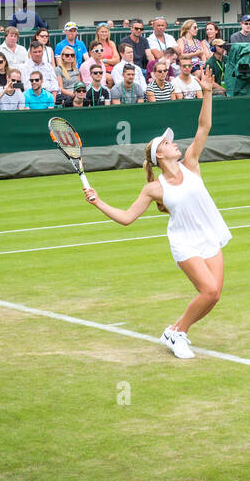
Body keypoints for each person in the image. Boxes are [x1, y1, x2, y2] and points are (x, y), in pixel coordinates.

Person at [84, 72, 229, 360]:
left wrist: (207, 92)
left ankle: (174, 330)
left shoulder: (191, 164)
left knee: (214, 295)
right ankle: (178, 334)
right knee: (209, 290)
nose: (173, 143)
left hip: (209, 234)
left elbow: (204, 126)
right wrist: (98, 202)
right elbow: (127, 217)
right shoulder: (154, 188)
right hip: (184, 243)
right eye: (167, 142)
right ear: (159, 156)